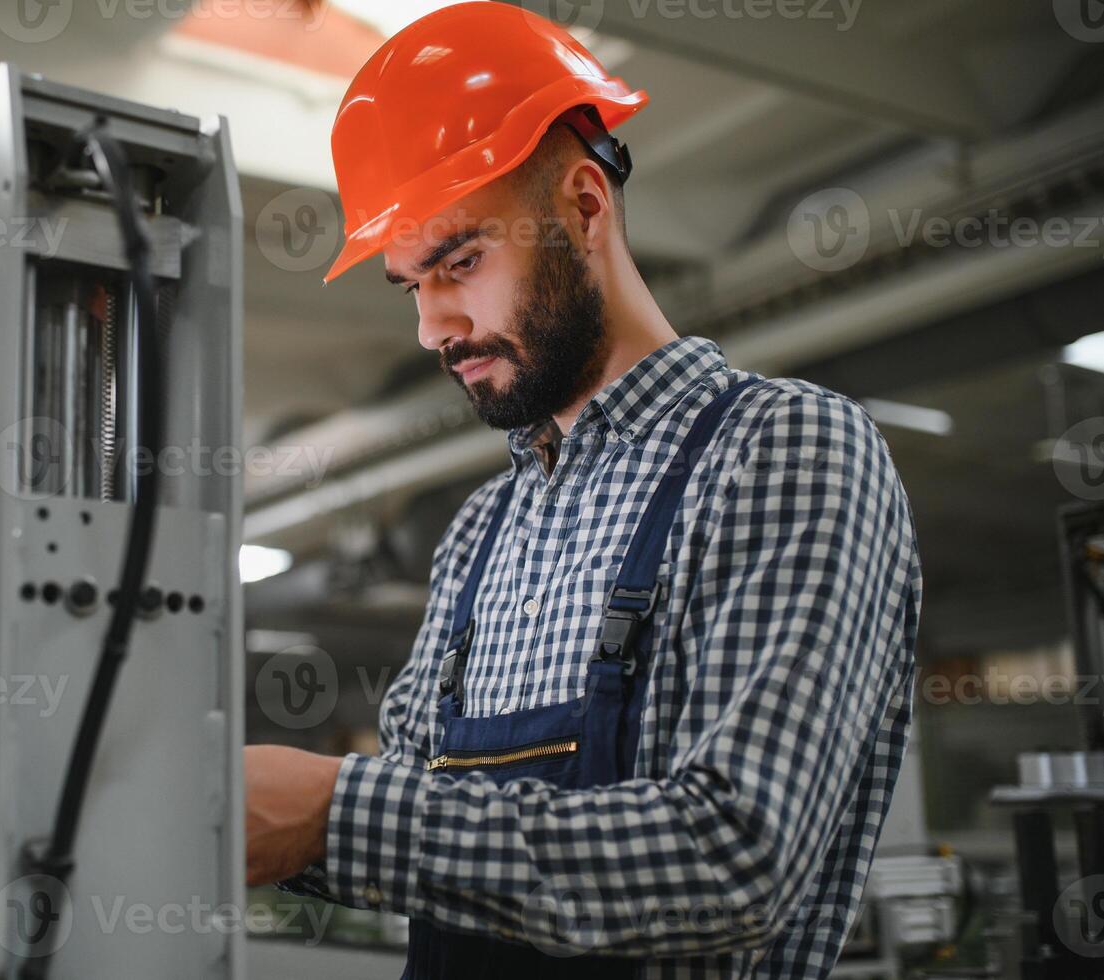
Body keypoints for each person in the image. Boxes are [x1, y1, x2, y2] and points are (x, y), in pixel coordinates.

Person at [243, 5, 921, 977]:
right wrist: (265, 811)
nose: (435, 328)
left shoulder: (784, 450)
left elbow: (734, 855)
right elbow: (416, 818)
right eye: (410, 285)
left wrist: (334, 812)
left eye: (461, 261)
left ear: (585, 208)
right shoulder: (482, 529)